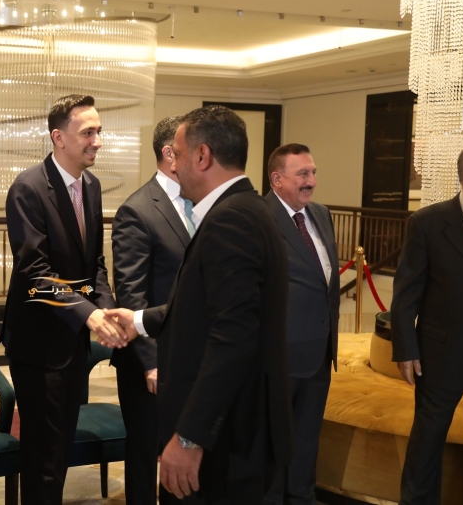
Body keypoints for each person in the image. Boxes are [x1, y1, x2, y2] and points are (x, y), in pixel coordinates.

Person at [105, 105, 292, 504]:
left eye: (177, 154)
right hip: (236, 431)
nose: (173, 165)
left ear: (203, 156)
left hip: (224, 440)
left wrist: (190, 437)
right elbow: (206, 310)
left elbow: (233, 338)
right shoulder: (249, 209)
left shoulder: (230, 221)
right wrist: (139, 320)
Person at [1, 94, 125, 504]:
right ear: (59, 137)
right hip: (38, 347)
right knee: (44, 458)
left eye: (99, 131)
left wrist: (106, 309)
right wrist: (89, 314)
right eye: (88, 132)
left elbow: (95, 264)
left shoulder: (91, 186)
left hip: (73, 342)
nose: (97, 141)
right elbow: (34, 273)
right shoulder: (28, 188)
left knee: (61, 452)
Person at [392, 144, 463, 504]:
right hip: (441, 355)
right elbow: (406, 294)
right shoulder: (428, 222)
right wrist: (405, 348)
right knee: (426, 446)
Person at [111, 115, 191, 504]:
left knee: (183, 452)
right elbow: (130, 293)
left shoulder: (204, 202)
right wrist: (151, 362)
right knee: (146, 453)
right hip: (149, 359)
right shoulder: (138, 209)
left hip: (191, 354)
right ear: (170, 154)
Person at [264, 143, 340, 505]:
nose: (311, 181)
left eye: (313, 172)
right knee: (272, 440)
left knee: (307, 438)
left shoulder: (321, 214)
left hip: (320, 351)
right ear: (277, 179)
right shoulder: (259, 217)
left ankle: (301, 497)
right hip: (278, 355)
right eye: (302, 174)